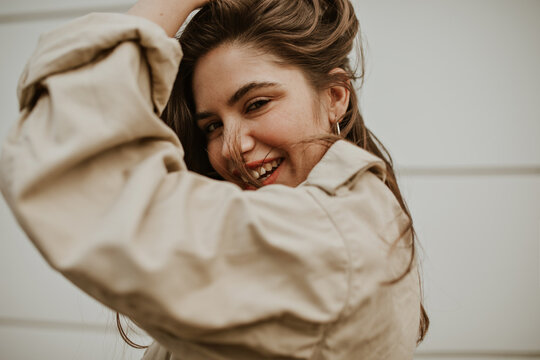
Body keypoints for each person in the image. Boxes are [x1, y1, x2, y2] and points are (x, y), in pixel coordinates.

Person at [0, 0, 428, 358]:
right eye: (212, 126)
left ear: (335, 97)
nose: (232, 147)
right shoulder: (342, 221)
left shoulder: (334, 239)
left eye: (257, 103)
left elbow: (71, 168)